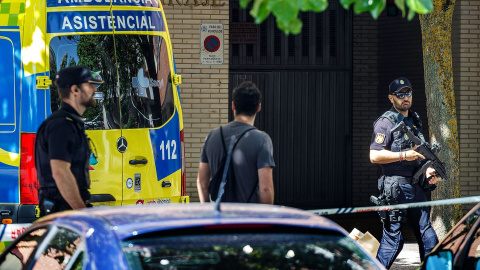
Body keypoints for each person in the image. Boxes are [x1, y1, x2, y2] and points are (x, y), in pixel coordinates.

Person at [370, 77, 440, 269]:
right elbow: (374, 156)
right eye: (400, 95)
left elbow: (420, 153)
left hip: (416, 186)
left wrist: (428, 169)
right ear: (391, 98)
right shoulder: (385, 122)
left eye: (408, 93)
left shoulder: (414, 119)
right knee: (394, 240)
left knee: (428, 237)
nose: (405, 98)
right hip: (396, 188)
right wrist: (403, 155)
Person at [35, 66, 103, 216]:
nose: (94, 90)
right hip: (63, 214)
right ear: (75, 90)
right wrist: (82, 213)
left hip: (66, 211)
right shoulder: (62, 125)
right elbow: (60, 172)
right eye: (90, 85)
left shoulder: (70, 123)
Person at [197, 81, 275, 204]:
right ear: (259, 107)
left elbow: (201, 183)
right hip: (247, 218)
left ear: (233, 106)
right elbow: (265, 189)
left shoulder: (212, 136)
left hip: (219, 218)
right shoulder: (262, 140)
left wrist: (209, 212)